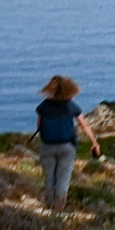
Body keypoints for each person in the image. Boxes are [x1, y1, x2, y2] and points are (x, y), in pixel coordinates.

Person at [35, 75, 101, 210]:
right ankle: (59, 208)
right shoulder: (71, 106)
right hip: (67, 147)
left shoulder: (44, 106)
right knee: (63, 179)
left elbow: (39, 125)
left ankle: (49, 207)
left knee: (49, 179)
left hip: (47, 146)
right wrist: (94, 142)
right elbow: (84, 125)